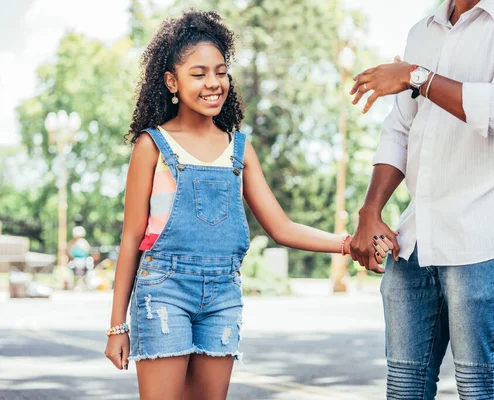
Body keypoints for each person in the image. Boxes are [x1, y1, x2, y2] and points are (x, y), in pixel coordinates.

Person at [104, 10, 391, 400]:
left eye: (221, 72)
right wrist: (117, 326)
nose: (213, 83)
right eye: (199, 73)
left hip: (223, 294)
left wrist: (348, 243)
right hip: (164, 291)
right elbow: (131, 238)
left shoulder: (239, 149)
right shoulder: (152, 145)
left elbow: (282, 227)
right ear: (172, 82)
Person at [348, 0, 494, 398]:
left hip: (487, 238)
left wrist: (417, 76)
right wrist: (370, 211)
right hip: (415, 243)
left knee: (479, 389)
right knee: (404, 389)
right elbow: (399, 131)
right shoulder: (422, 31)